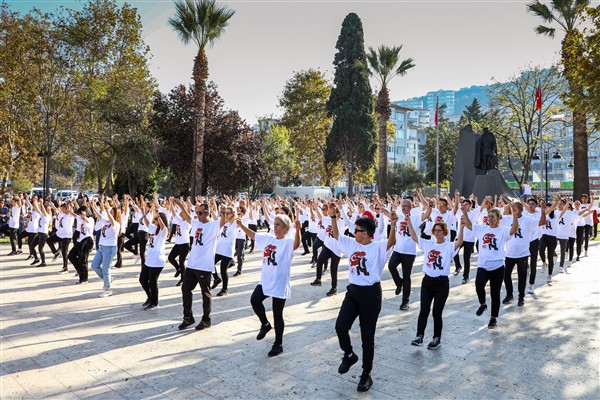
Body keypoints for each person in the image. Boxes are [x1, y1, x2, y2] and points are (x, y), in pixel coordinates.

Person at [332, 205, 397, 393]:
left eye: (357, 230)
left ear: (367, 233)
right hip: (353, 293)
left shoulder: (378, 247)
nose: (353, 232)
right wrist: (333, 216)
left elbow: (391, 241)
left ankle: (366, 374)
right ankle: (349, 354)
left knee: (367, 337)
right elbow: (336, 235)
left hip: (371, 295)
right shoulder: (352, 244)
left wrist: (393, 224)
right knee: (340, 326)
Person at [236, 214, 301, 357]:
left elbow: (296, 244)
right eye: (275, 224)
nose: (275, 227)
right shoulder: (268, 238)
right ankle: (265, 324)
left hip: (279, 282)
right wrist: (241, 225)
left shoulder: (288, 242)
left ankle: (278, 344)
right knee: (255, 300)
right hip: (265, 280)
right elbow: (253, 236)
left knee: (278, 314)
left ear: (285, 228)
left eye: (278, 224)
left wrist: (298, 231)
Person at [405, 201, 466, 349]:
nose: (437, 232)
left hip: (441, 283)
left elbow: (459, 241)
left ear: (444, 232)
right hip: (427, 282)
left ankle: (436, 338)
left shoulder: (448, 246)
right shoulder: (428, 244)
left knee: (436, 312)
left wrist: (462, 227)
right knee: (423, 310)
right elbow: (414, 236)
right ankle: (419, 336)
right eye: (435, 230)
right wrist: (408, 222)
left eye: (440, 230)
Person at [462, 201, 519, 329]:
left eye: (493, 216)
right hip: (483, 265)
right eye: (489, 216)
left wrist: (515, 215)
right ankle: (483, 304)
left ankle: (493, 318)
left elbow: (514, 229)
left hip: (498, 266)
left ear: (499, 219)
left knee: (495, 293)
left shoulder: (503, 231)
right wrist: (465, 212)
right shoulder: (482, 229)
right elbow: (470, 225)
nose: (490, 219)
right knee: (478, 284)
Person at [175, 198, 225, 331]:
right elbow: (186, 215)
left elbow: (224, 220)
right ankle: (188, 317)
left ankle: (206, 319)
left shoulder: (213, 225)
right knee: (186, 289)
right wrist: (179, 204)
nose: (198, 215)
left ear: (208, 213)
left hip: (204, 265)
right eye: (197, 213)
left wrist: (224, 210)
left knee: (205, 293)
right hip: (192, 264)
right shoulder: (197, 224)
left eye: (201, 213)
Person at [387, 198, 431, 311]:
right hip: (398, 249)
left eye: (406, 206)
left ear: (411, 208)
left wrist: (430, 206)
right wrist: (384, 209)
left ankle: (405, 301)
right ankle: (399, 282)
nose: (404, 208)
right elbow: (389, 215)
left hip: (409, 252)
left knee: (407, 276)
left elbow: (426, 215)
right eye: (402, 206)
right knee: (391, 266)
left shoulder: (415, 218)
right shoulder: (399, 217)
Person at [502, 201, 546, 307]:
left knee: (522, 277)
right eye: (513, 209)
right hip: (509, 253)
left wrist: (543, 211)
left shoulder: (528, 220)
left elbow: (542, 223)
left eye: (516, 209)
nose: (514, 210)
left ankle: (521, 297)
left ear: (521, 210)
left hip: (522, 254)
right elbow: (496, 220)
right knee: (506, 275)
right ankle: (509, 294)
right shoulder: (508, 219)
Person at [139, 197, 169, 310]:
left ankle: (155, 303)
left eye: (156, 220)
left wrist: (157, 212)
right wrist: (144, 212)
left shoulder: (163, 231)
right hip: (149, 260)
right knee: (142, 280)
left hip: (158, 261)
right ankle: (150, 297)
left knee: (152, 282)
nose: (154, 221)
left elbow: (162, 224)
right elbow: (147, 223)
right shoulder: (153, 229)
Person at [89, 197, 121, 297]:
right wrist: (93, 206)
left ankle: (107, 288)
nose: (109, 213)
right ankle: (108, 278)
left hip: (110, 248)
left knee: (106, 269)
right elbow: (98, 216)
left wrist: (107, 211)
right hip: (102, 247)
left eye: (111, 212)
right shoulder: (105, 221)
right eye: (109, 212)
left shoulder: (116, 224)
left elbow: (112, 221)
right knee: (94, 265)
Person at [211, 204, 238, 296]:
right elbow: (216, 220)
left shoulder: (235, 223)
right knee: (210, 263)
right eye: (225, 213)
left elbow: (241, 222)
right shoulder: (224, 222)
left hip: (227, 250)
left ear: (232, 214)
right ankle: (216, 279)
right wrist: (213, 211)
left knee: (223, 270)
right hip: (219, 248)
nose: (226, 214)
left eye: (228, 213)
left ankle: (225, 289)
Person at [67, 205, 95, 283]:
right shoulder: (80, 218)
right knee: (71, 255)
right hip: (81, 240)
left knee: (83, 260)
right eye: (80, 214)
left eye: (81, 214)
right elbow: (75, 216)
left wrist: (84, 216)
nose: (80, 216)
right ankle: (80, 271)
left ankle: (84, 278)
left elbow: (88, 222)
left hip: (88, 240)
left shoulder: (91, 219)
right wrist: (70, 211)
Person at [167, 198, 191, 286]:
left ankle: (183, 279)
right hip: (177, 244)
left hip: (185, 244)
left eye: (182, 212)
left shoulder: (187, 223)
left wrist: (185, 205)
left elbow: (187, 213)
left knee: (182, 262)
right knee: (170, 258)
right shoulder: (179, 220)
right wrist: (171, 203)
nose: (180, 213)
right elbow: (173, 212)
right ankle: (178, 269)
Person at [47, 201, 75, 274]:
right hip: (59, 234)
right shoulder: (62, 214)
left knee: (64, 253)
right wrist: (52, 205)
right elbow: (57, 209)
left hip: (66, 236)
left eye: (63, 208)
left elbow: (71, 212)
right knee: (49, 240)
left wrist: (69, 207)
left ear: (66, 209)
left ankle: (65, 268)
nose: (61, 210)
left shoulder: (70, 216)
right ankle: (55, 253)